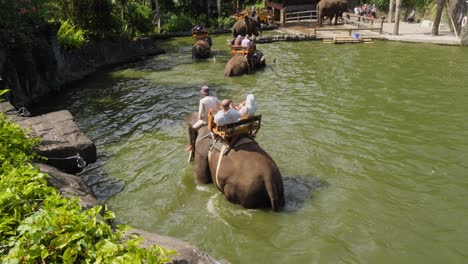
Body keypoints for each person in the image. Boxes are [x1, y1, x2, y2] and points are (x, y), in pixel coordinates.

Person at [187, 85, 220, 151]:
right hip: (214, 119)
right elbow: (221, 104)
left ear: (202, 93)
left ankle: (191, 145)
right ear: (208, 92)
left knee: (191, 129)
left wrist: (199, 118)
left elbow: (200, 113)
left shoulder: (202, 101)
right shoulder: (215, 98)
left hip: (206, 121)